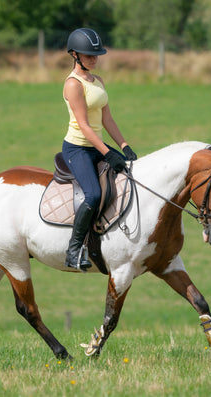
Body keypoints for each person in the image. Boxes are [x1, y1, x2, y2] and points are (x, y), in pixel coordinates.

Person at [61, 27, 137, 271]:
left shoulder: (98, 81)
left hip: (97, 145)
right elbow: (83, 125)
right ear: (74, 55)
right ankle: (73, 250)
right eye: (88, 55)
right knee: (93, 194)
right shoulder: (73, 84)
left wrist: (124, 146)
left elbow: (107, 120)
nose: (94, 59)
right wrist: (107, 152)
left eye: (96, 55)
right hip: (78, 149)